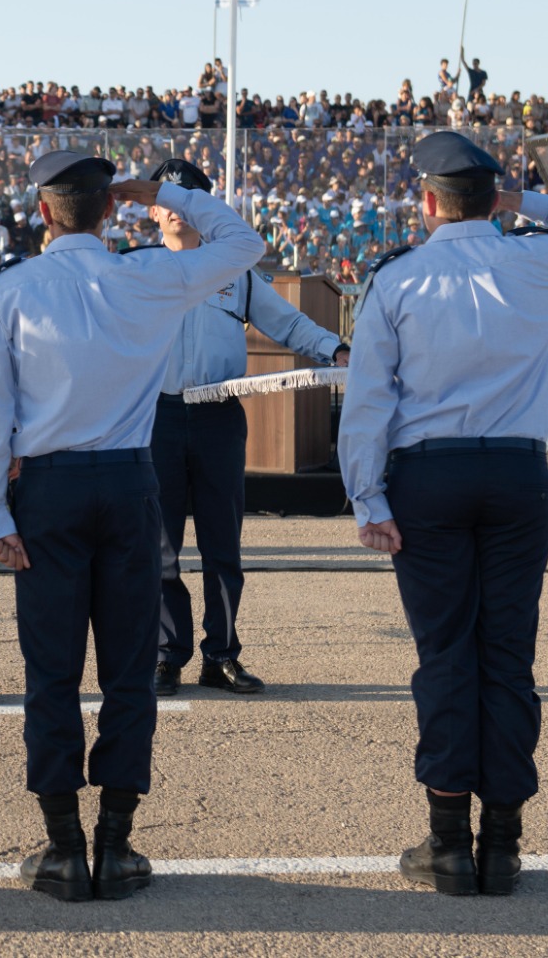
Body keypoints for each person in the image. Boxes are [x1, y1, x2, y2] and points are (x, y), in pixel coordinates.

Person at [338, 131, 548, 897]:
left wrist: (367, 495)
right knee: (507, 653)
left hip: (427, 480)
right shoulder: (535, 261)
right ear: (490, 197)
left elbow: (369, 398)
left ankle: (447, 845)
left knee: (445, 653)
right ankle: (501, 845)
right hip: (513, 475)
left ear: (429, 202)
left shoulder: (397, 278)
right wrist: (525, 202)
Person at [0, 150, 264, 902]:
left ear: (42, 213)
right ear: (111, 211)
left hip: (48, 492)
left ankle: (65, 848)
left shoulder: (13, 289)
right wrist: (161, 194)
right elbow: (243, 245)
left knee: (51, 671)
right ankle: (118, 842)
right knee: (128, 671)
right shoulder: (148, 275)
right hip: (131, 483)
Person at [136, 159, 349, 698]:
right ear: (154, 210)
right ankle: (166, 656)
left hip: (218, 417)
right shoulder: (134, 269)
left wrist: (337, 349)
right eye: (170, 198)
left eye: (192, 199)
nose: (178, 209)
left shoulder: (235, 274)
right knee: (160, 549)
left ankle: (221, 655)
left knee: (221, 547)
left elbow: (290, 324)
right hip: (154, 417)